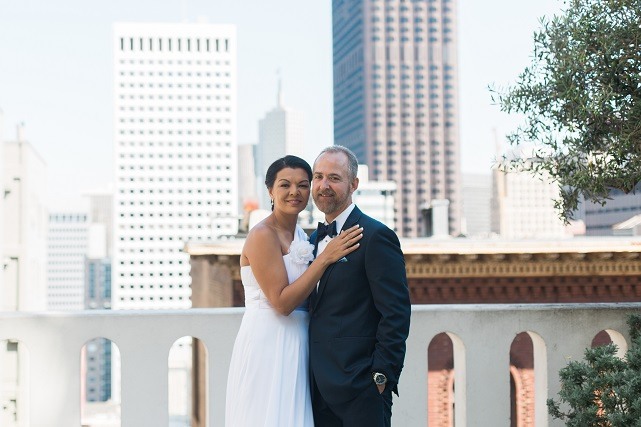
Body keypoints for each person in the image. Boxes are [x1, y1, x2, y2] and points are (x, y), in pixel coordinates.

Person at [225, 155, 363, 427]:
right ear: (270, 191)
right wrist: (325, 258)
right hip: (268, 342)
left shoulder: (302, 235)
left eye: (302, 185)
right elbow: (281, 302)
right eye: (285, 184)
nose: (294, 192)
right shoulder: (262, 235)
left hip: (299, 343)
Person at [309, 146, 411, 427]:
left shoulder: (376, 236)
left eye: (334, 177)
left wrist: (380, 377)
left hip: (361, 389)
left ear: (354, 184)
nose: (324, 185)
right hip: (315, 391)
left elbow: (396, 313)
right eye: (318, 177)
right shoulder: (309, 243)